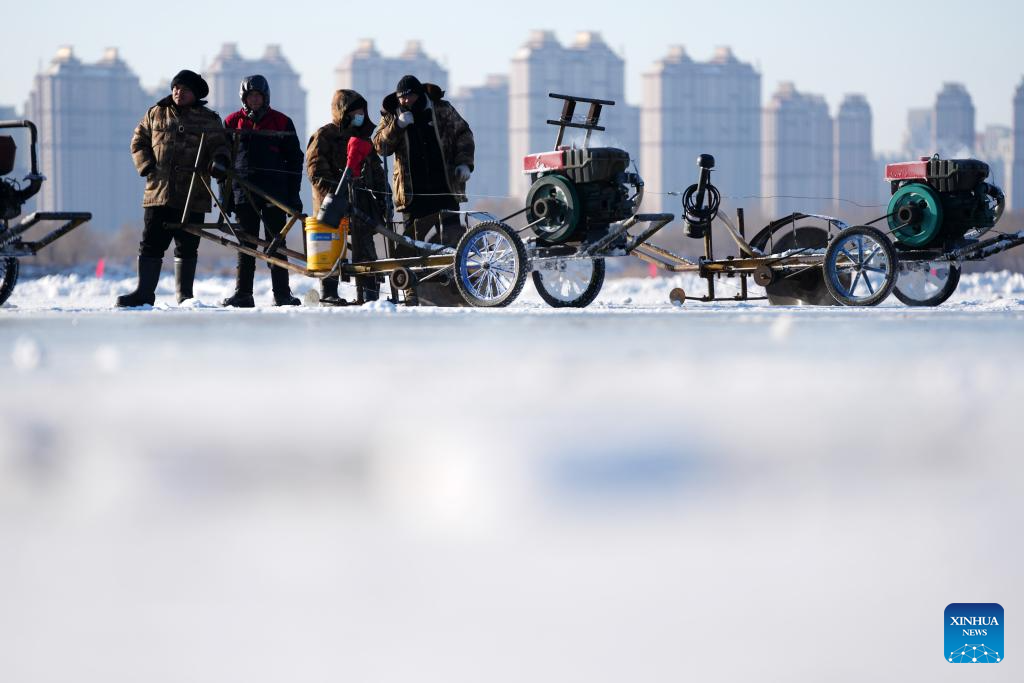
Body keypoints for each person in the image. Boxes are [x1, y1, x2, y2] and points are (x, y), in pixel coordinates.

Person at [118, 70, 228, 307]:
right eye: (176, 87)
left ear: (195, 94)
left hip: (193, 195)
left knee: (187, 245)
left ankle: (184, 296)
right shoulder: (155, 113)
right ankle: (144, 292)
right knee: (150, 243)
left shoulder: (209, 119)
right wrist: (146, 166)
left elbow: (221, 147)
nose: (178, 92)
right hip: (159, 192)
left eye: (184, 89)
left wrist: (219, 162)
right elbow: (138, 141)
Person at [220, 75, 304, 307]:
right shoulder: (231, 122)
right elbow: (222, 163)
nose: (255, 100)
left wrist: (293, 195)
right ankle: (243, 294)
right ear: (243, 99)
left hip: (274, 195)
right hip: (243, 193)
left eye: (258, 96)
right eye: (250, 96)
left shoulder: (282, 122)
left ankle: (282, 295)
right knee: (246, 245)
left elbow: (295, 162)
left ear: (265, 97)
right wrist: (224, 197)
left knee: (277, 245)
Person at [373, 75, 474, 257]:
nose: (404, 101)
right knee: (412, 244)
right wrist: (397, 125)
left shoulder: (442, 109)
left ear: (419, 94)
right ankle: (414, 283)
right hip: (413, 195)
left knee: (454, 240)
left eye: (408, 96)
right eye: (401, 97)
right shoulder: (392, 115)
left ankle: (455, 279)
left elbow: (463, 134)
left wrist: (464, 163)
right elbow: (380, 146)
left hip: (444, 189)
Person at [307, 89, 387, 305]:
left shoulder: (363, 140)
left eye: (362, 111)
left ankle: (369, 291)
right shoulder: (325, 136)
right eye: (354, 111)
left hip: (360, 204)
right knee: (331, 247)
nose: (359, 115)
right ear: (343, 112)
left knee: (365, 246)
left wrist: (383, 197)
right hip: (331, 204)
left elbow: (376, 172)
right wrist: (336, 194)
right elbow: (315, 171)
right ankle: (329, 290)